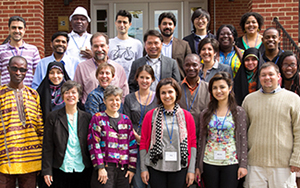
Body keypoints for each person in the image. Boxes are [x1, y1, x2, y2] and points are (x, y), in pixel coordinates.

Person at [242, 62, 300, 187]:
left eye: (271, 74)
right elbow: (243, 132)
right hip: (255, 164)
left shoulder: (293, 99)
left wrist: (297, 159)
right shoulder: (249, 100)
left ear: (279, 76)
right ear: (259, 78)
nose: (267, 78)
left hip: (283, 165)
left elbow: (299, 130)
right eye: (263, 75)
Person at [140, 78, 197, 188]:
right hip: (156, 166)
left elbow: (193, 143)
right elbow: (143, 142)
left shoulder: (186, 116)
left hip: (180, 167)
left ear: (176, 93)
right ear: (159, 95)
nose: (167, 96)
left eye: (170, 92)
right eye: (163, 93)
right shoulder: (150, 115)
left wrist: (191, 170)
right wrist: (143, 168)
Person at [195, 72, 248, 188]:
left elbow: (243, 139)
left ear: (230, 88)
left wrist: (243, 165)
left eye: (222, 87)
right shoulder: (205, 113)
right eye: (215, 88)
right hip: (209, 162)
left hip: (231, 162)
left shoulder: (239, 112)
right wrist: (198, 166)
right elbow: (201, 140)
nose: (218, 91)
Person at [0, 56, 43, 187]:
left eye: (22, 70)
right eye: (15, 69)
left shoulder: (33, 94)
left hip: (31, 159)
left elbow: (40, 127)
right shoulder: (1, 94)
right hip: (6, 159)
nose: (18, 73)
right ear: (8, 69)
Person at [42, 80, 92, 188]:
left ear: (79, 96)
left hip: (83, 168)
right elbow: (48, 146)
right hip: (60, 168)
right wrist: (47, 170)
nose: (70, 95)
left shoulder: (87, 117)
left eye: (74, 92)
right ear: (62, 96)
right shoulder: (53, 117)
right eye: (66, 92)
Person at [88, 85, 137, 188]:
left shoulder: (126, 120)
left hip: (123, 170)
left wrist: (132, 168)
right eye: (111, 100)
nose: (114, 103)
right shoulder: (98, 118)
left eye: (117, 99)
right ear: (104, 101)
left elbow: (132, 145)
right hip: (105, 168)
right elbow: (93, 145)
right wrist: (100, 167)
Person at [123, 64, 157, 188]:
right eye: (141, 77)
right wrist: (137, 137)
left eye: (147, 78)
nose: (144, 81)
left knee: (152, 181)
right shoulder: (129, 98)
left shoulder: (158, 98)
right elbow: (126, 121)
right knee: (138, 182)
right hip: (134, 144)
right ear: (136, 78)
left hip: (153, 144)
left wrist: (147, 138)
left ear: (152, 79)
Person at [74, 32, 129, 104]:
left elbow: (124, 94)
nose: (99, 49)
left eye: (102, 46)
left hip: (114, 112)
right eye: (96, 46)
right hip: (89, 112)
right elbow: (77, 92)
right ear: (91, 48)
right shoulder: (82, 67)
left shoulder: (118, 68)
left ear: (108, 47)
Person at [0, 16, 41, 86]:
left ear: (24, 30)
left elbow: (37, 74)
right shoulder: (1, 50)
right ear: (9, 29)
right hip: (6, 94)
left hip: (28, 93)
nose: (17, 31)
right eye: (13, 28)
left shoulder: (33, 50)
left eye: (20, 28)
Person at [178, 54, 210, 135]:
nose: (191, 68)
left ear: (200, 67)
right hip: (180, 135)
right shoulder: (176, 88)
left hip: (203, 135)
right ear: (183, 67)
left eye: (195, 65)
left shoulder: (209, 88)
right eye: (187, 65)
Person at [108, 10, 143, 78]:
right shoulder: (109, 43)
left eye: (125, 22)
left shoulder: (137, 44)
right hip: (113, 83)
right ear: (115, 23)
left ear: (130, 24)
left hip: (130, 84)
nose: (122, 25)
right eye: (119, 22)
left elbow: (139, 67)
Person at [158, 12, 191, 79]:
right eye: (164, 24)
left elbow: (189, 65)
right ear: (159, 26)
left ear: (174, 26)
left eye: (170, 24)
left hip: (178, 83)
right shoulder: (153, 46)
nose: (167, 26)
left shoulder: (184, 45)